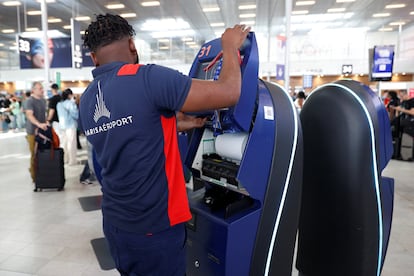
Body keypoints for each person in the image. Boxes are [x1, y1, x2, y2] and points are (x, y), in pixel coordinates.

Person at [79, 13, 250, 275]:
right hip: (155, 227)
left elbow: (134, 129)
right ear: (133, 46)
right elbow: (228, 93)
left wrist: (185, 125)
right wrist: (229, 46)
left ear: (93, 58)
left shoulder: (89, 98)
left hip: (115, 224)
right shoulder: (147, 78)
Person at [25, 82, 48, 187]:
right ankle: (35, 178)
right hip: (32, 132)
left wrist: (46, 122)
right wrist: (38, 124)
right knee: (34, 155)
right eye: (39, 88)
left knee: (43, 153)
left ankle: (42, 174)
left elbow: (44, 115)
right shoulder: (29, 101)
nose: (42, 90)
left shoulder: (43, 100)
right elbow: (30, 115)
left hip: (43, 131)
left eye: (42, 88)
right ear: (33, 90)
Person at [56, 88, 79, 166]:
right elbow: (75, 114)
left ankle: (65, 159)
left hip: (62, 126)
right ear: (69, 95)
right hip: (70, 125)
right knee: (71, 143)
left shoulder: (59, 104)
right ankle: (72, 161)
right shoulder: (70, 103)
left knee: (63, 143)